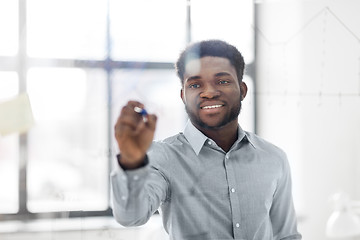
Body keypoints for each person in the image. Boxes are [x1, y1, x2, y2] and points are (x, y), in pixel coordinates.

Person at [111, 39, 302, 240]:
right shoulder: (163, 157)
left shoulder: (274, 158)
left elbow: (287, 235)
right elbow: (130, 217)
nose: (209, 92)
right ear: (183, 95)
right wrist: (131, 163)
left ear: (243, 90)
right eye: (195, 84)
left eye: (223, 81)